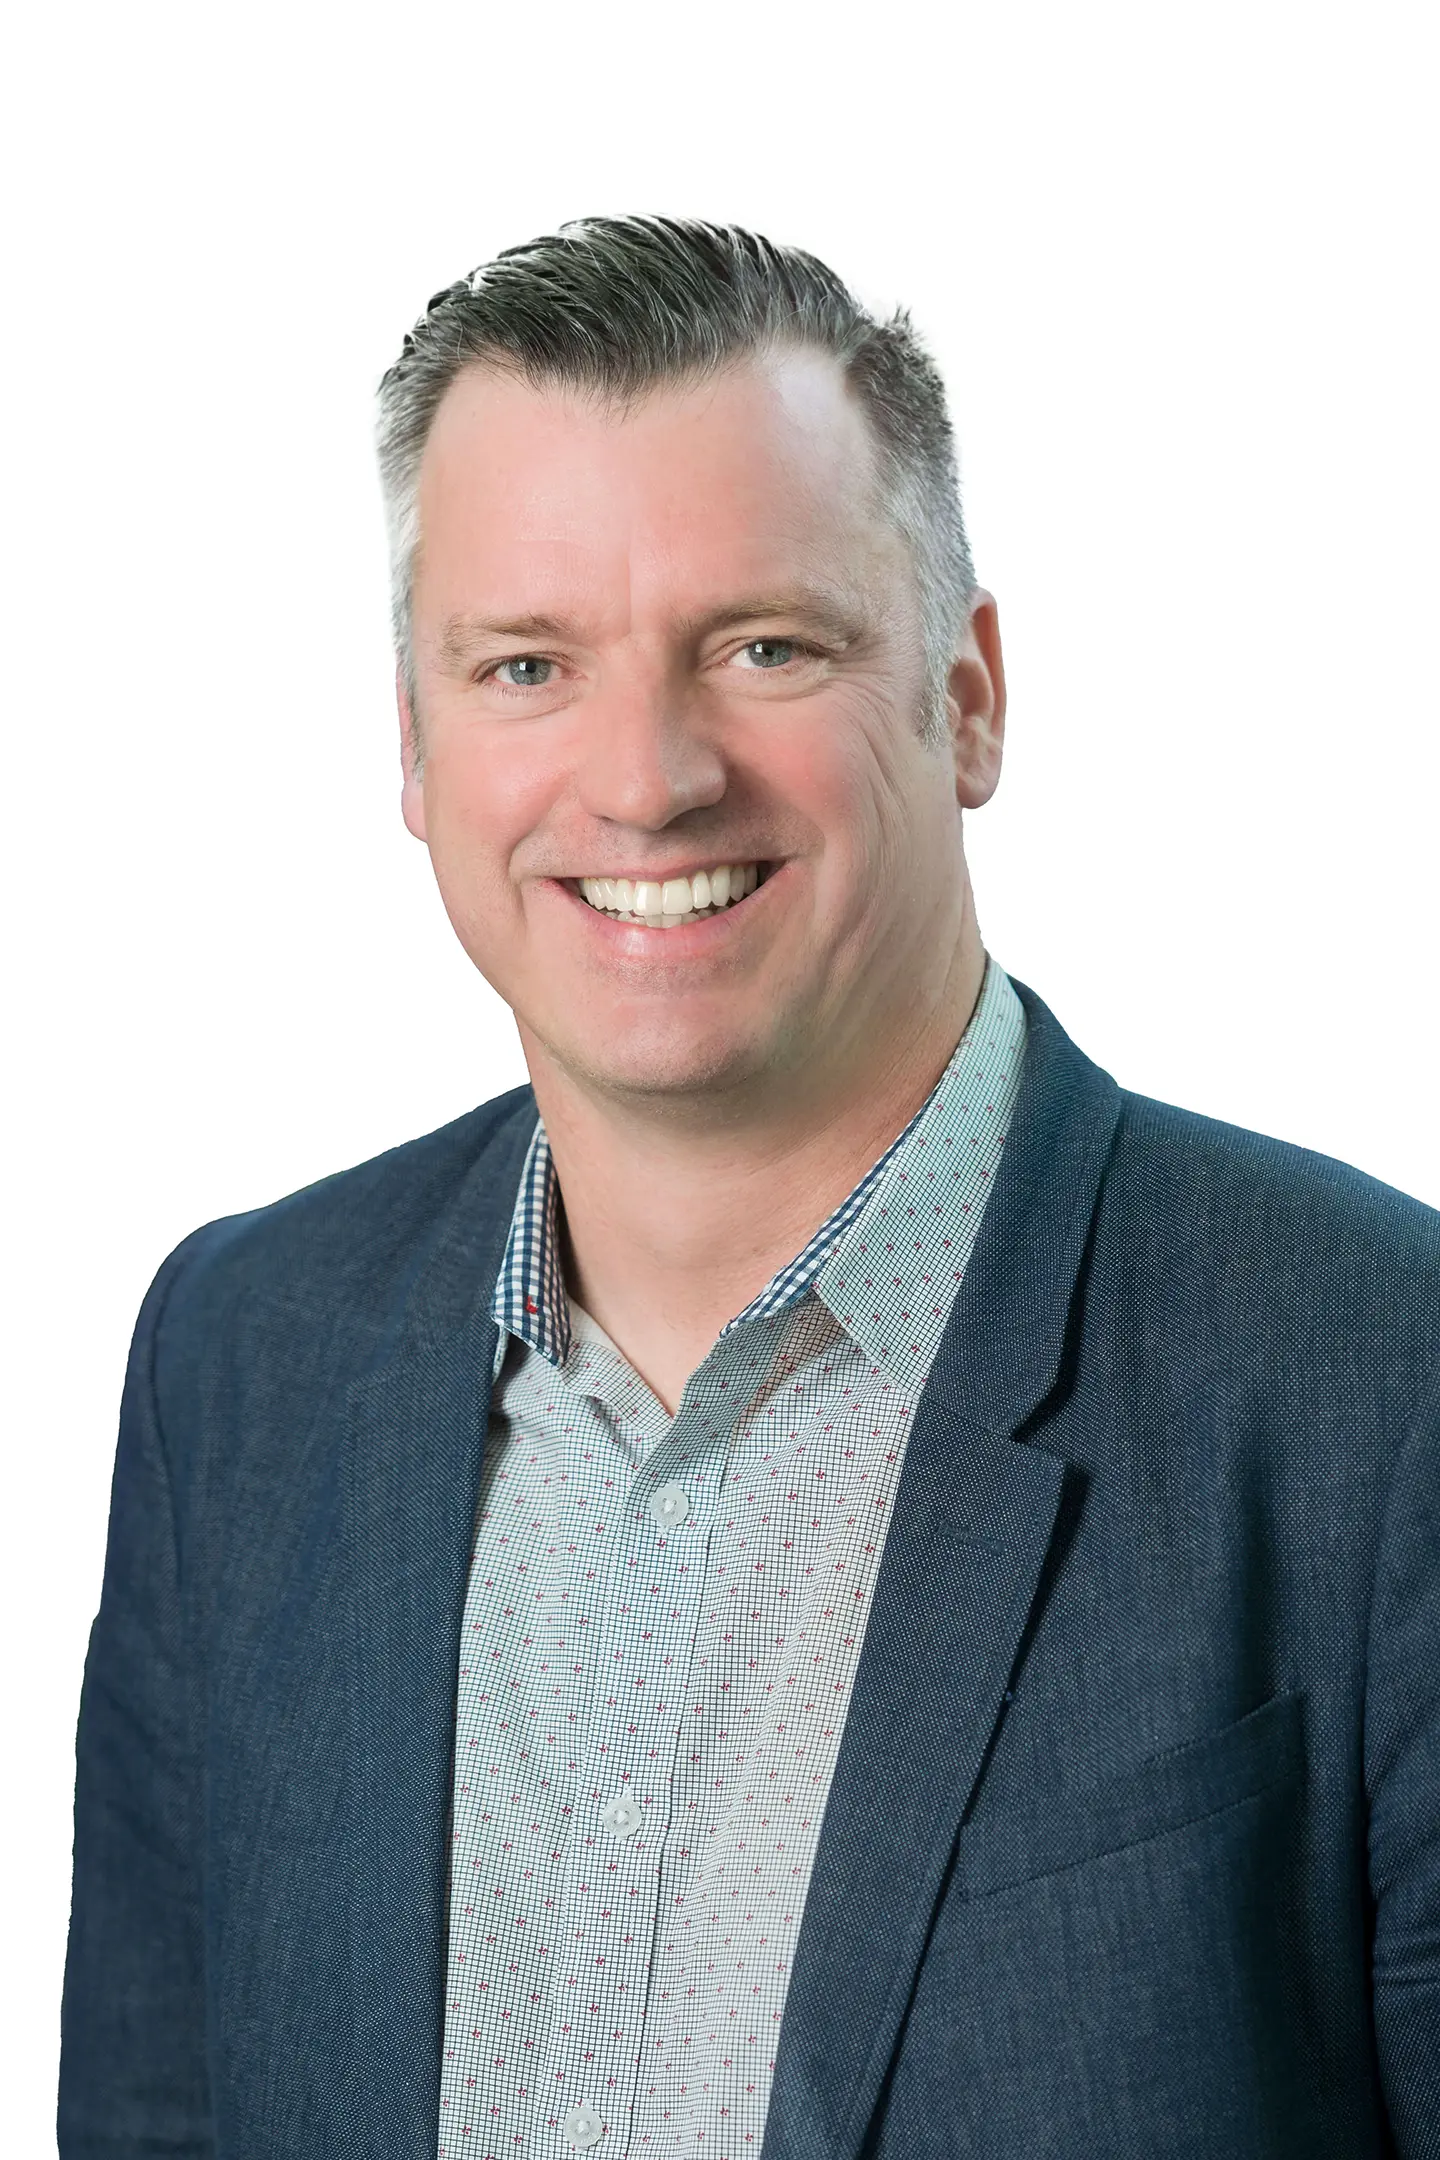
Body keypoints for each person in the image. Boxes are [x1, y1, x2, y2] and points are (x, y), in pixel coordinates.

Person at [58, 214, 1439, 2160]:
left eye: (763, 646)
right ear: (417, 747)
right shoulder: (244, 1365)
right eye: (529, 663)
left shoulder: (1380, 1383)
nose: (644, 778)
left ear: (967, 698)